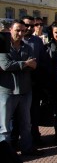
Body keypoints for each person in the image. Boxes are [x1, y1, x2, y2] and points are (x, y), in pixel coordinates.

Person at [0, 20, 43, 156]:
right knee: (5, 126)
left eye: (23, 31)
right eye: (17, 30)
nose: (20, 33)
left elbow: (34, 65)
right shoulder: (3, 46)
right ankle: (5, 153)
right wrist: (25, 64)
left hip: (25, 91)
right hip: (7, 91)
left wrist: (17, 65)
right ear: (10, 30)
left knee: (26, 123)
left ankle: (27, 148)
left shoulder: (27, 47)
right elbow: (5, 66)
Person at [20, 15, 48, 145]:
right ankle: (15, 140)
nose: (30, 28)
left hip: (34, 82)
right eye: (27, 25)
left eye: (32, 25)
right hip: (18, 82)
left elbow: (43, 60)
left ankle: (35, 136)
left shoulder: (37, 41)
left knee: (34, 111)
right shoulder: (15, 40)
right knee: (17, 114)